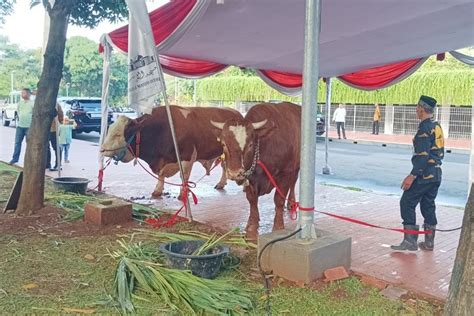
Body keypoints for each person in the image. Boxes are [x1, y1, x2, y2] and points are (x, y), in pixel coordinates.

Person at [391, 95, 444, 251]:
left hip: (424, 175)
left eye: (417, 107)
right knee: (428, 205)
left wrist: (412, 175)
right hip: (436, 174)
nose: (416, 110)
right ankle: (429, 243)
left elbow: (422, 156)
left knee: (407, 202)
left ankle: (410, 241)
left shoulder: (424, 128)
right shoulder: (436, 125)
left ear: (421, 109)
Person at [9, 88, 34, 165]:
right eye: (22, 93)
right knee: (17, 143)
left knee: (29, 144)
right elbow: (19, 112)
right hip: (20, 126)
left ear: (28, 94)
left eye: (24, 93)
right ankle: (15, 159)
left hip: (29, 127)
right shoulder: (20, 103)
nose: (22, 94)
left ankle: (29, 160)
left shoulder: (32, 103)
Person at [46, 102, 64, 171]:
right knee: (46, 147)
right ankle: (47, 164)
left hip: (53, 129)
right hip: (45, 129)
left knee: (56, 147)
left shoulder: (56, 104)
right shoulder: (43, 102)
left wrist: (60, 121)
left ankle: (58, 164)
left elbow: (60, 114)